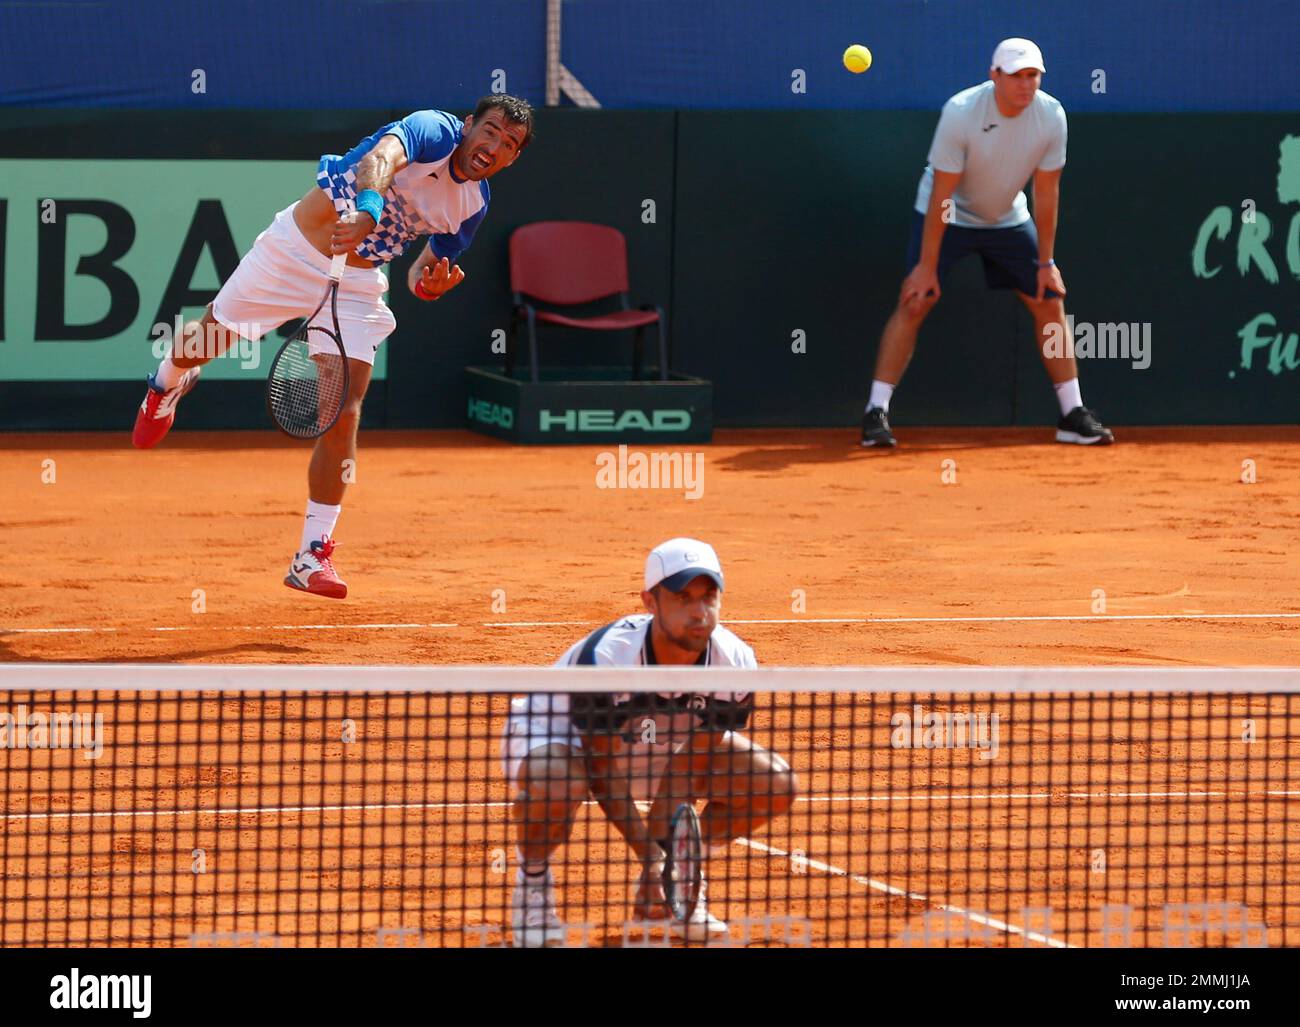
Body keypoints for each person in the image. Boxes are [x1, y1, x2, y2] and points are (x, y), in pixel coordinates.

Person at [131, 96, 535, 598]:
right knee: (207, 341)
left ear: (512, 159)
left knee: (345, 409)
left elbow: (421, 270)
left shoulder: (472, 205)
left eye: (509, 144)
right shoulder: (434, 129)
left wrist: (428, 285)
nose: (494, 146)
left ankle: (311, 552)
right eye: (491, 131)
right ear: (470, 125)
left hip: (358, 283)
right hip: (293, 251)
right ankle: (166, 383)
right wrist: (368, 209)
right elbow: (379, 159)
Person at [500, 537, 798, 947]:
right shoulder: (608, 659)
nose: (699, 611)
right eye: (683, 598)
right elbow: (601, 771)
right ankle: (532, 885)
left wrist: (667, 865)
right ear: (650, 602)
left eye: (709, 597)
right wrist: (649, 854)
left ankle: (685, 879)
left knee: (774, 784)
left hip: (662, 745)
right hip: (559, 735)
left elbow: (690, 768)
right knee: (557, 782)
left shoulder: (734, 663)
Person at [860, 39, 1114, 449]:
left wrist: (1046, 261)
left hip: (1006, 218)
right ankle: (876, 412)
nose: (1025, 84)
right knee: (915, 300)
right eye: (1016, 75)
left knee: (1048, 298)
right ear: (994, 75)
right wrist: (927, 266)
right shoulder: (961, 112)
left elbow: (1046, 191)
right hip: (949, 212)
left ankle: (1072, 413)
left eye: (1033, 75)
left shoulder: (1051, 116)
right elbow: (943, 194)